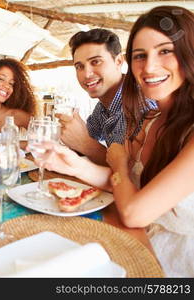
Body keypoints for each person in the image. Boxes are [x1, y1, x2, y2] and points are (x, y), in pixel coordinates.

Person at [35, 6, 194, 277]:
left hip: (173, 262)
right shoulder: (151, 119)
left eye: (165, 51)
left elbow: (134, 210)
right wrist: (73, 165)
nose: (150, 66)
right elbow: (127, 183)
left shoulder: (149, 112)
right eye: (141, 56)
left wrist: (116, 161)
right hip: (136, 240)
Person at [59, 29, 155, 165]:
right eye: (79, 66)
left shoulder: (141, 103)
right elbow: (84, 137)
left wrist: (86, 144)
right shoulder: (103, 107)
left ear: (119, 61)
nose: (86, 74)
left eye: (96, 62)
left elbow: (137, 172)